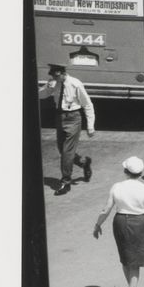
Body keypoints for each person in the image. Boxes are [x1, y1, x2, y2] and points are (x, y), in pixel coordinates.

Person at [93, 155, 144, 287]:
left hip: (120, 221)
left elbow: (106, 209)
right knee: (135, 262)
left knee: (126, 258)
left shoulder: (117, 186)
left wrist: (98, 224)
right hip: (140, 223)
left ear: (125, 170)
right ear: (140, 173)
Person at [45, 63, 94, 194]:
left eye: (56, 76)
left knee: (67, 151)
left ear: (62, 73)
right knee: (62, 150)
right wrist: (46, 88)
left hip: (73, 118)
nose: (54, 78)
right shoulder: (53, 83)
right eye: (52, 76)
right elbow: (41, 95)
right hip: (59, 117)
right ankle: (84, 163)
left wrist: (90, 125)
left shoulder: (75, 84)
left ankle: (65, 182)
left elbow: (87, 104)